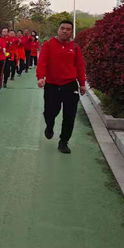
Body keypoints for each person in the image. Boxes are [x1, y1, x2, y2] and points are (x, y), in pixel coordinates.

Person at [37, 20, 86, 154]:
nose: (65, 31)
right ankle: (50, 125)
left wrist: (82, 84)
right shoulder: (48, 45)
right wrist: (40, 77)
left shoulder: (75, 47)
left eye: (68, 29)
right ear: (58, 30)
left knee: (69, 115)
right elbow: (42, 62)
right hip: (52, 85)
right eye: (62, 28)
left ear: (71, 32)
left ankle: (64, 141)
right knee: (50, 112)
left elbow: (80, 66)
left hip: (70, 85)